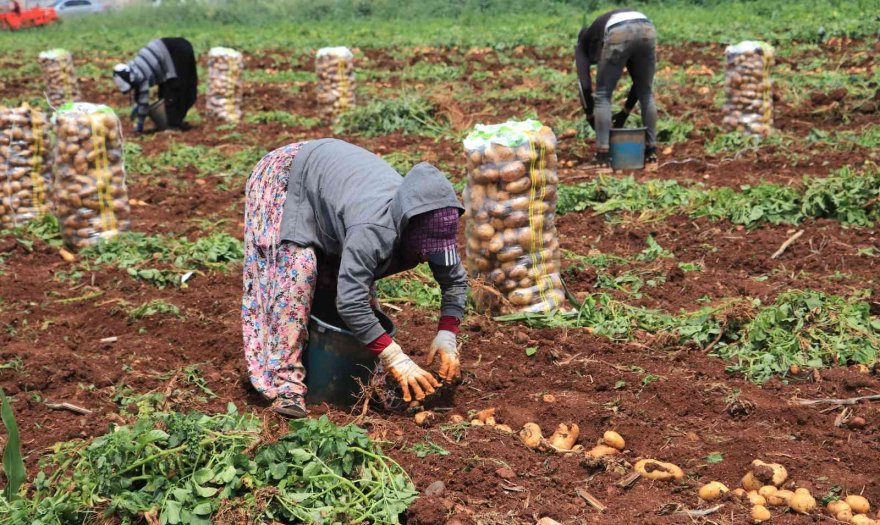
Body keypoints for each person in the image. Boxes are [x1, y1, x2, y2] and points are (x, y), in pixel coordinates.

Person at [242, 139, 467, 418]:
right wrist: (394, 356)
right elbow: (351, 302)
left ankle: (359, 380)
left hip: (335, 188)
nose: (425, 257)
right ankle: (285, 386)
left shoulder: (434, 221)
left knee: (351, 285)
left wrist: (447, 334)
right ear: (406, 227)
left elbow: (454, 281)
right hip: (288, 175)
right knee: (297, 274)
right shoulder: (373, 230)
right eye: (423, 249)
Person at [575, 9, 658, 168]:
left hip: (618, 29)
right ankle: (651, 153)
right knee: (646, 92)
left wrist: (591, 116)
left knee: (603, 94)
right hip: (646, 26)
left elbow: (584, 86)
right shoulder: (597, 31)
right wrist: (625, 112)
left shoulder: (582, 48)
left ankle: (603, 157)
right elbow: (639, 84)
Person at [112, 38, 197, 133]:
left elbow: (143, 102)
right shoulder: (134, 68)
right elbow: (139, 94)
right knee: (166, 92)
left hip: (177, 52)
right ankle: (173, 121)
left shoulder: (141, 76)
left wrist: (140, 124)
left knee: (175, 91)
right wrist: (137, 104)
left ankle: (173, 125)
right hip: (165, 53)